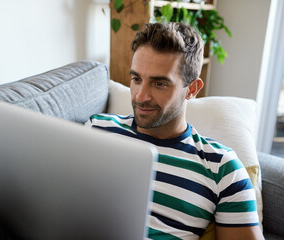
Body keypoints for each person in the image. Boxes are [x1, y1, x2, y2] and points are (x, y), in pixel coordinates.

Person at [85, 22, 264, 240]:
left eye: (159, 84)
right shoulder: (96, 129)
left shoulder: (222, 169)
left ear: (192, 89)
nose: (141, 96)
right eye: (136, 79)